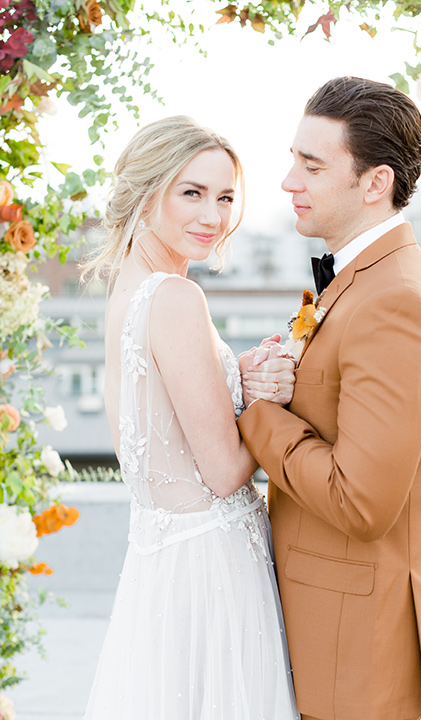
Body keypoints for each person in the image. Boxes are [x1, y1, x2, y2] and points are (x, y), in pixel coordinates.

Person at [238, 76, 421, 720]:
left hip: (356, 652)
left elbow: (359, 500)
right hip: (335, 632)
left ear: (375, 183)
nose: (288, 181)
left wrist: (260, 413)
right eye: (293, 160)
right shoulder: (366, 281)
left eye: (311, 165)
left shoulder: (396, 301)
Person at [82, 115, 299, 720]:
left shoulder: (129, 292)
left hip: (163, 562)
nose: (214, 215)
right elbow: (227, 471)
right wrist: (264, 399)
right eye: (193, 193)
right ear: (149, 192)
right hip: (212, 565)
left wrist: (237, 382)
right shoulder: (176, 297)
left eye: (226, 196)